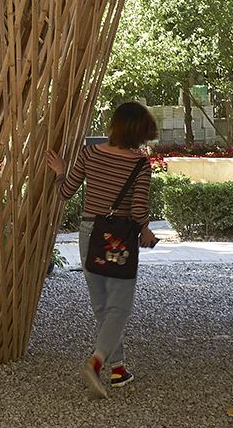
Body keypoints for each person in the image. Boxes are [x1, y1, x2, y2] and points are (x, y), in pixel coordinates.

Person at [45, 101, 159, 396]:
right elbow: (137, 210)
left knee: (102, 305)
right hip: (119, 238)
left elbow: (65, 192)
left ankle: (118, 369)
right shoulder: (140, 164)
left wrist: (60, 170)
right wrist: (146, 229)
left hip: (90, 233)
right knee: (119, 307)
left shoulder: (90, 154)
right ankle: (96, 363)